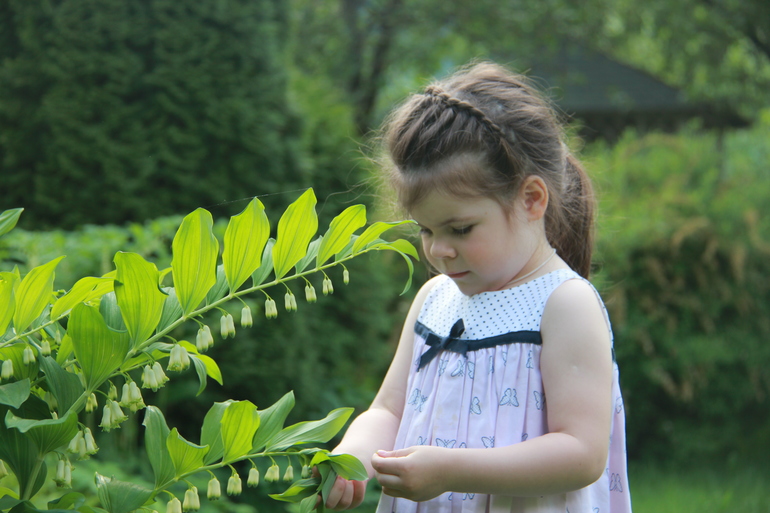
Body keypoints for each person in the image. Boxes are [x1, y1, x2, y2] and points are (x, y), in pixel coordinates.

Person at [324, 62, 632, 513]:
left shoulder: (564, 304)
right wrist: (351, 457)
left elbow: (582, 454)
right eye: (426, 230)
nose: (439, 251)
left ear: (531, 199)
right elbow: (387, 410)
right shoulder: (435, 300)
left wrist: (451, 470)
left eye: (461, 229)